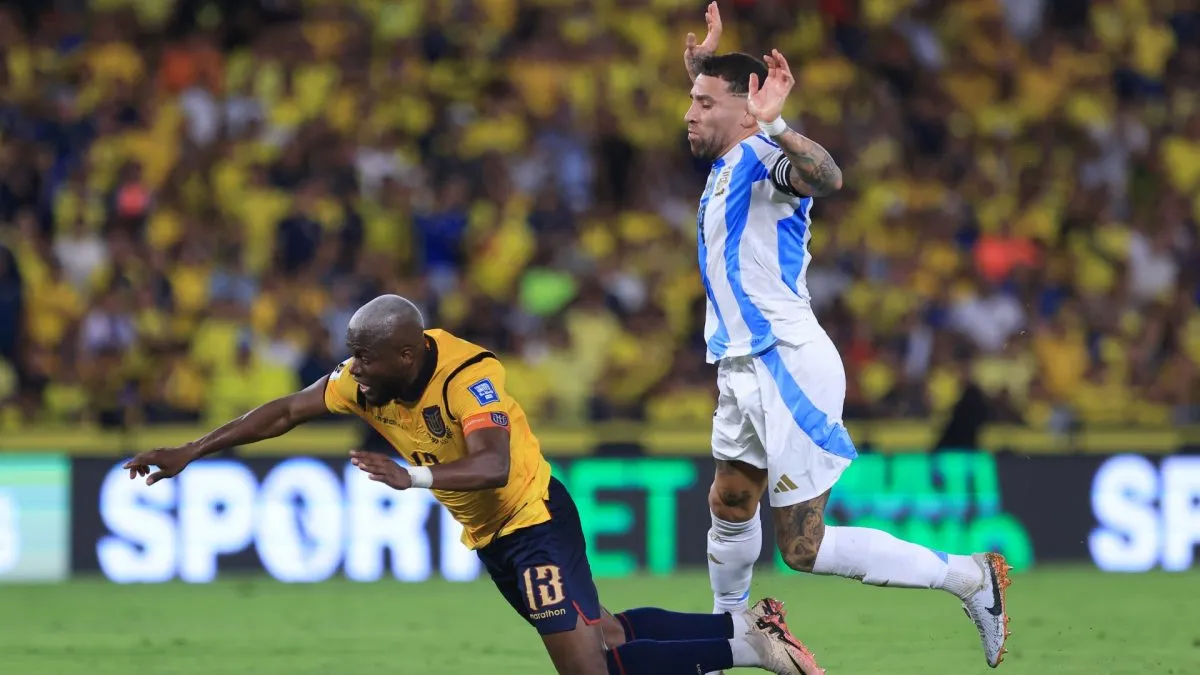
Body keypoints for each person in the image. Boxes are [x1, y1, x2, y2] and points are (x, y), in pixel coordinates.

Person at [122, 294, 824, 675]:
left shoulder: (467, 377)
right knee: (603, 633)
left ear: (406, 351)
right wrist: (192, 449)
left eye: (363, 357)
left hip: (532, 517)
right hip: (493, 536)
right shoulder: (367, 382)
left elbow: (490, 461)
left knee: (587, 668)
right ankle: (742, 626)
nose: (352, 369)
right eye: (351, 357)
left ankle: (745, 649)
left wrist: (412, 474)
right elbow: (282, 410)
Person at [681, 3, 1011, 669]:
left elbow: (827, 177)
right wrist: (705, 73)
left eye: (702, 102)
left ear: (747, 111)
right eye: (691, 99)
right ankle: (728, 639)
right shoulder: (728, 159)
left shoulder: (764, 156)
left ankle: (971, 577)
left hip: (785, 362)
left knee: (802, 549)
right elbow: (723, 106)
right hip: (741, 365)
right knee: (731, 498)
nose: (688, 112)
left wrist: (772, 120)